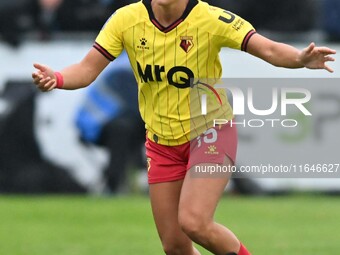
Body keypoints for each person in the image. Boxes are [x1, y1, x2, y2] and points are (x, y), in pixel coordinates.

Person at [32, 1, 336, 254]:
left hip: (210, 131)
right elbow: (86, 70)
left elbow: (268, 49)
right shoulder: (126, 19)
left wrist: (299, 58)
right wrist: (56, 78)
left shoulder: (212, 19)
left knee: (194, 222)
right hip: (161, 143)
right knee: (175, 246)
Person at [75, 51, 145, 193]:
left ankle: (130, 177)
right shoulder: (127, 68)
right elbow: (136, 105)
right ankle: (116, 183)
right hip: (98, 124)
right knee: (124, 129)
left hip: (96, 122)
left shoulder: (121, 62)